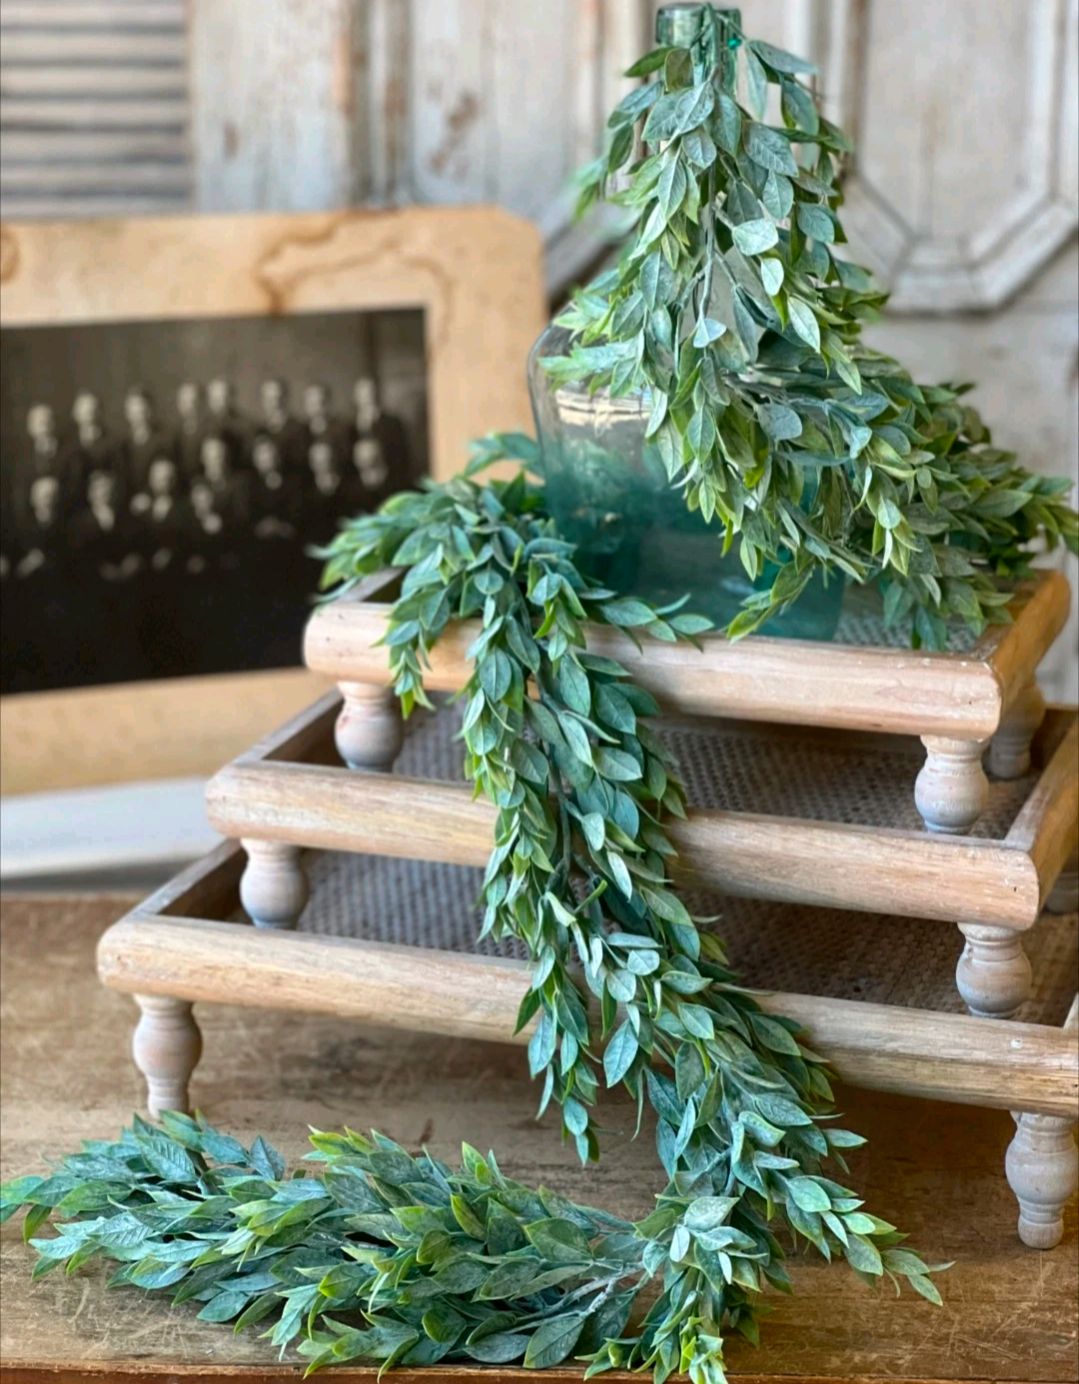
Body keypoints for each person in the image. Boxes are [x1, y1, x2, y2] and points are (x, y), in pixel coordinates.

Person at [349, 375, 413, 500]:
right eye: (363, 394)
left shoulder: (393, 423)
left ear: (378, 394)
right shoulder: (351, 425)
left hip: (388, 483)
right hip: (360, 488)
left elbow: (402, 456)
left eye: (371, 393)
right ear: (356, 397)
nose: (368, 398)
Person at [120, 387, 168, 495]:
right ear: (127, 414)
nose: (138, 416)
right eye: (134, 412)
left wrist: (148, 495)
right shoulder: (122, 443)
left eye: (142, 411)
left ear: (150, 411)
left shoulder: (164, 441)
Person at [257, 378, 305, 471]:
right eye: (269, 399)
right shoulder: (260, 431)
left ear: (286, 399)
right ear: (263, 401)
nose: (275, 404)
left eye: (278, 398)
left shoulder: (299, 430)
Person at [205, 378, 249, 470]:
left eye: (224, 398)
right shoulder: (203, 426)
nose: (220, 403)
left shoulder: (244, 426)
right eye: (215, 398)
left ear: (231, 399)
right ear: (209, 400)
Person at [172, 381, 204, 480]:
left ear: (201, 403)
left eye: (193, 402)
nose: (190, 407)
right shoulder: (174, 432)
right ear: (179, 405)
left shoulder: (211, 430)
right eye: (184, 402)